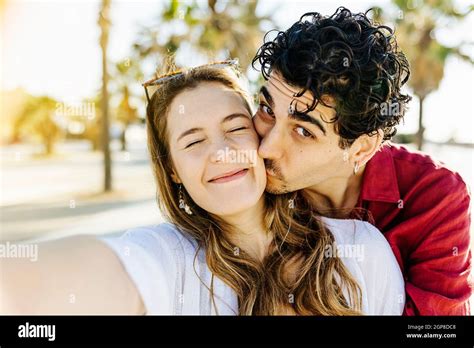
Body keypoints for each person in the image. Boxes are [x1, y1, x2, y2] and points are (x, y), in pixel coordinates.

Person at [1, 63, 404, 315]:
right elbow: (76, 276)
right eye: (193, 142)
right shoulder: (167, 259)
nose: (223, 152)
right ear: (173, 170)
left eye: (235, 128)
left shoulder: (361, 249)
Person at [251, 7, 472, 315]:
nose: (265, 149)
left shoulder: (433, 196)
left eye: (303, 130)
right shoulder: (245, 183)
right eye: (266, 109)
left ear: (361, 149)